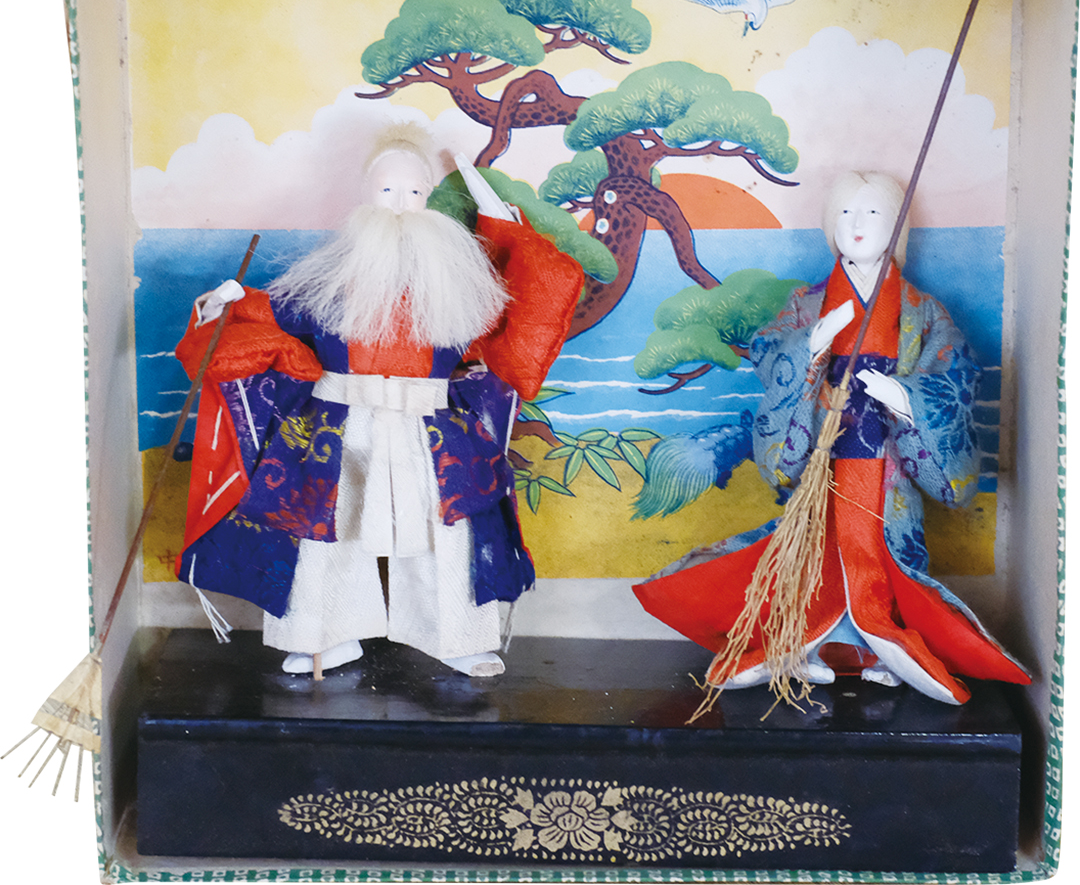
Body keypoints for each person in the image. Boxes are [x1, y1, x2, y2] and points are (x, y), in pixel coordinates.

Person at [174, 124, 583, 677]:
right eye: (387, 190)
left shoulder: (460, 287)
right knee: (323, 526)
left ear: (429, 198)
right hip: (338, 419)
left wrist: (500, 220)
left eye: (414, 191)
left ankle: (459, 637)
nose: (399, 203)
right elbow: (270, 313)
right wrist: (225, 302)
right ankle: (321, 637)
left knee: (450, 529)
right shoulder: (329, 279)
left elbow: (534, 302)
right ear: (366, 195)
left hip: (428, 420)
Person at [633, 171, 1029, 705]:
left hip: (887, 466)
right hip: (825, 461)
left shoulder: (922, 311)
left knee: (883, 556)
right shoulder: (806, 303)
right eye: (845, 213)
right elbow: (768, 352)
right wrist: (811, 344)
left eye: (873, 213)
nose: (857, 225)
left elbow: (957, 374)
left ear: (897, 227)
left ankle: (877, 649)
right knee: (815, 557)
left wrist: (903, 395)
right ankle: (807, 645)